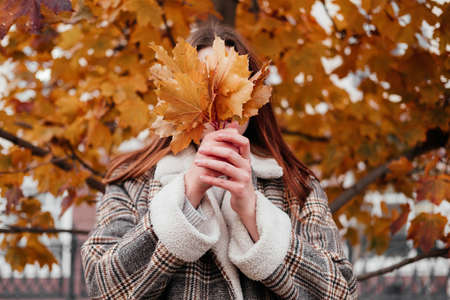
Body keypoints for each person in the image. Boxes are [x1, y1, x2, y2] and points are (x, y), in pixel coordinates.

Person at [81, 20, 358, 300]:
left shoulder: (299, 187)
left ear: (254, 101)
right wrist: (185, 200)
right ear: (180, 97)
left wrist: (255, 218)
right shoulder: (132, 182)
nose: (217, 105)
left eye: (231, 90)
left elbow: (342, 292)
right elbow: (102, 286)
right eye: (203, 90)